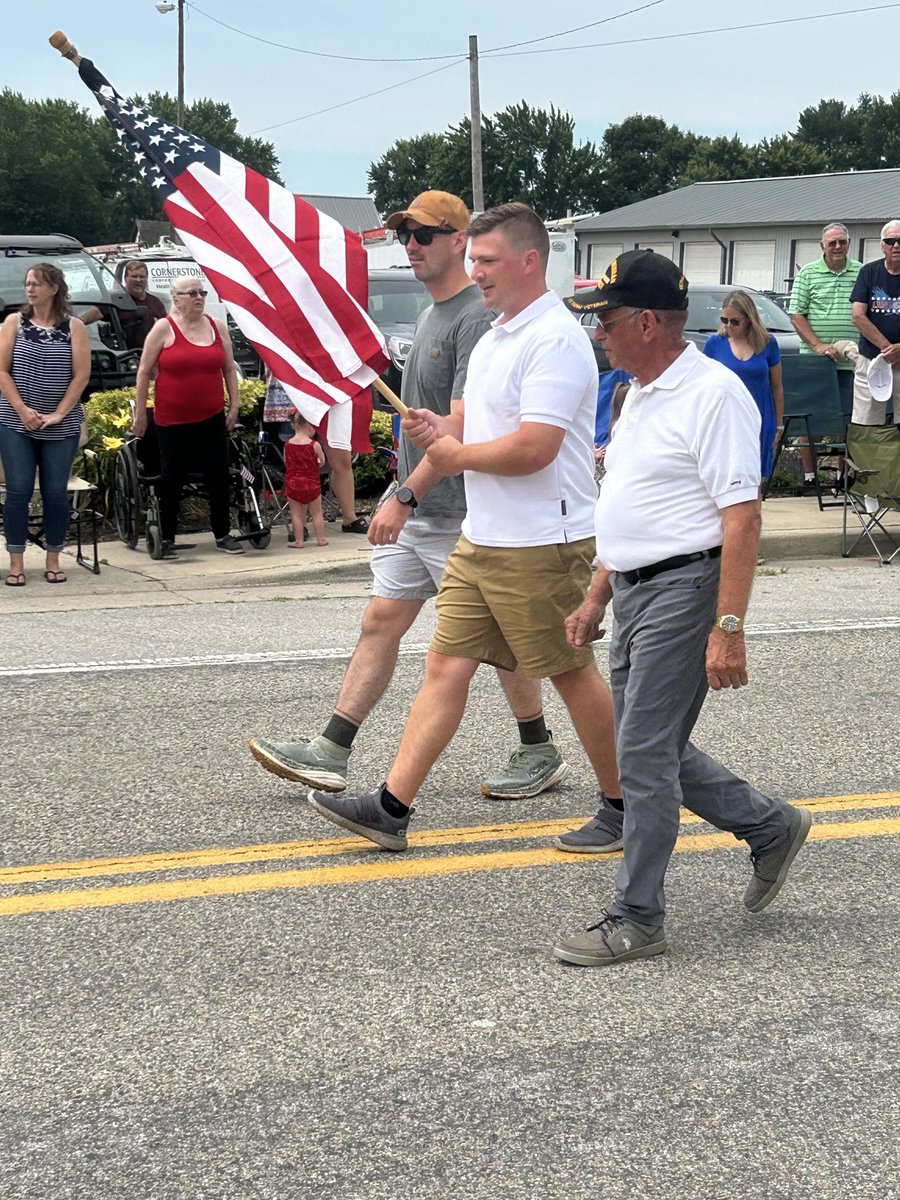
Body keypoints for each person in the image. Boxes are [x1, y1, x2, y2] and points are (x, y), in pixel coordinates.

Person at [298, 201, 622, 852]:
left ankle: (625, 804)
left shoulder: (554, 339)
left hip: (543, 540)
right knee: (445, 665)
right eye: (473, 259)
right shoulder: (498, 335)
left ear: (530, 261)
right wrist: (436, 428)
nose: (476, 271)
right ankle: (391, 808)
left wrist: (455, 456)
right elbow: (469, 422)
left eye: (488, 260)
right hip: (485, 535)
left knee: (569, 671)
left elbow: (535, 448)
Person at [554, 250, 812, 968]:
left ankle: (638, 916)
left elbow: (742, 516)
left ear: (646, 323)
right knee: (651, 745)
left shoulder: (713, 395)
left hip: (686, 590)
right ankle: (770, 825)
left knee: (640, 753)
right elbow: (639, 506)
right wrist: (597, 594)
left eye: (606, 321)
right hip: (636, 589)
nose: (599, 334)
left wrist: (729, 628)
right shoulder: (637, 391)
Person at [133, 272, 244, 556]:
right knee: (172, 477)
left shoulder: (217, 327)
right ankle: (167, 536)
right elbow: (144, 372)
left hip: (211, 415)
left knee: (218, 475)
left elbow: (229, 368)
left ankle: (222, 533)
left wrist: (234, 405)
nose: (199, 298)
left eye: (202, 293)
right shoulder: (163, 328)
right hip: (173, 419)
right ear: (176, 299)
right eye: (192, 293)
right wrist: (141, 413)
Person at [0, 263, 90, 586]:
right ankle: (16, 563)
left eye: (36, 283)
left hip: (60, 427)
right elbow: (1, 371)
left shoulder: (74, 327)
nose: (30, 289)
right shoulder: (14, 323)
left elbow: (81, 375)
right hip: (16, 422)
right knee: (18, 491)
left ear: (54, 288)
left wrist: (59, 414)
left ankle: (53, 559)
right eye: (27, 283)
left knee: (54, 492)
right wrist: (23, 410)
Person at [789, 222, 861, 485]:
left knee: (848, 420)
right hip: (815, 362)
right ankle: (810, 478)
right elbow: (796, 315)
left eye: (842, 241)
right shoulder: (807, 274)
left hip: (851, 362)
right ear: (822, 246)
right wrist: (818, 345)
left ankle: (843, 475)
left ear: (848, 244)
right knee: (811, 421)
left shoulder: (862, 272)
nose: (838, 246)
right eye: (832, 242)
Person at [702, 290, 784, 479]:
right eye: (724, 320)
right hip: (726, 419)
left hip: (760, 416)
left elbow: (777, 387)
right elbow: (703, 386)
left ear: (749, 319)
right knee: (727, 474)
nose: (728, 325)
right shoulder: (714, 344)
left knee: (755, 476)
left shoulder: (767, 343)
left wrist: (778, 424)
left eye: (735, 321)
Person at [850, 219, 900, 426]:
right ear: (882, 245)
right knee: (866, 423)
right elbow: (858, 316)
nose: (896, 246)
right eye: (890, 241)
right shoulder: (868, 272)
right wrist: (889, 350)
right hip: (872, 358)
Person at [82, 259, 168, 350]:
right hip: (124, 355)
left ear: (147, 279)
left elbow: (168, 327)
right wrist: (75, 325)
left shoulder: (155, 302)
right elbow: (86, 318)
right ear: (125, 278)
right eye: (134, 276)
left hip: (149, 352)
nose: (138, 280)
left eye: (142, 277)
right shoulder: (115, 300)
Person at [284, 409, 327, 548]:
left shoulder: (288, 444)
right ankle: (321, 539)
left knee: (296, 514)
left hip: (293, 484)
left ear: (293, 425)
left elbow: (286, 462)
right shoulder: (314, 445)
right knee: (317, 513)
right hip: (311, 483)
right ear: (309, 426)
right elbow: (322, 462)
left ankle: (299, 541)